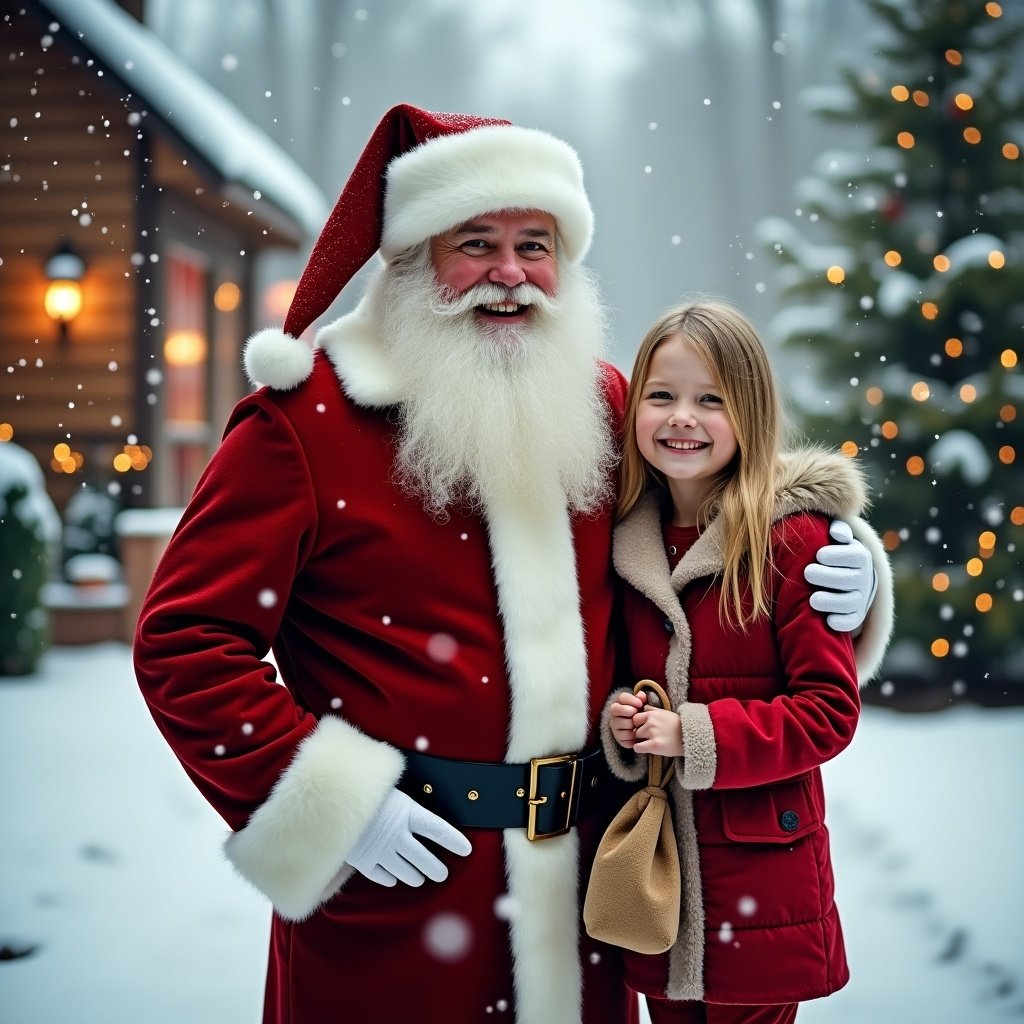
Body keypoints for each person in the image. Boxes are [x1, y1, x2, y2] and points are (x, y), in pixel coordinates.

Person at [133, 106, 890, 1024]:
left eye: (536, 244)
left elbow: (712, 536)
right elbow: (186, 640)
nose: (509, 273)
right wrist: (330, 804)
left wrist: (840, 573)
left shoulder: (609, 407)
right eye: (476, 241)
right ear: (410, 254)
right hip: (399, 892)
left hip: (586, 899)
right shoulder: (306, 423)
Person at [602, 301, 893, 1024]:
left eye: (711, 400)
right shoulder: (623, 541)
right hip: (658, 881)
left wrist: (693, 736)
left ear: (752, 414)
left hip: (762, 884)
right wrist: (626, 721)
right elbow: (623, 677)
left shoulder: (793, 542)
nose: (682, 419)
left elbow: (828, 713)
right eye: (661, 396)